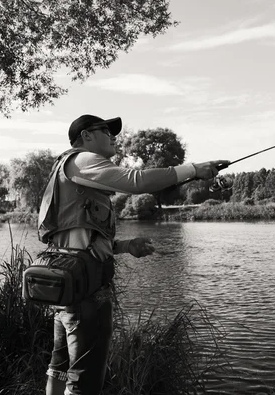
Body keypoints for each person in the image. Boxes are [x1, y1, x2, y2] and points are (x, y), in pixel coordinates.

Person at [39, 114, 229, 395]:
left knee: (59, 368)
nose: (113, 136)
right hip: (86, 296)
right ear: (86, 136)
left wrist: (126, 246)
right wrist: (193, 169)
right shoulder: (81, 160)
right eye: (106, 130)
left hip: (69, 292)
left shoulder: (73, 175)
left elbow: (78, 241)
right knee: (84, 382)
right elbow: (137, 181)